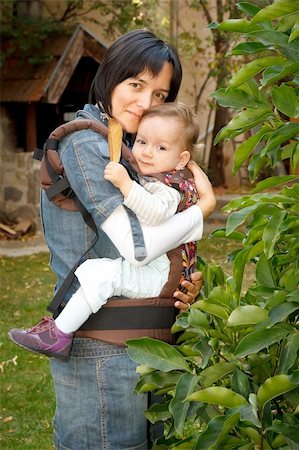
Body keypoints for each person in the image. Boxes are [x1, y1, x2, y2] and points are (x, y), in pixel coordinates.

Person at [9, 30, 216, 449]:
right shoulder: (88, 143)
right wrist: (202, 210)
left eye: (160, 94)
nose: (145, 104)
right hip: (101, 352)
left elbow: (158, 237)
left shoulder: (136, 151)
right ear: (110, 78)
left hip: (148, 347)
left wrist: (184, 278)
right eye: (136, 85)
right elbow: (135, 247)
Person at [9, 102, 215, 360]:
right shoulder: (159, 177)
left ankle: (58, 334)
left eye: (161, 147)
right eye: (141, 142)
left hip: (159, 275)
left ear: (182, 158)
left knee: (102, 276)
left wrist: (126, 185)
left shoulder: (169, 186)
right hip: (157, 269)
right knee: (98, 273)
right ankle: (59, 331)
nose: (147, 153)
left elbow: (156, 212)